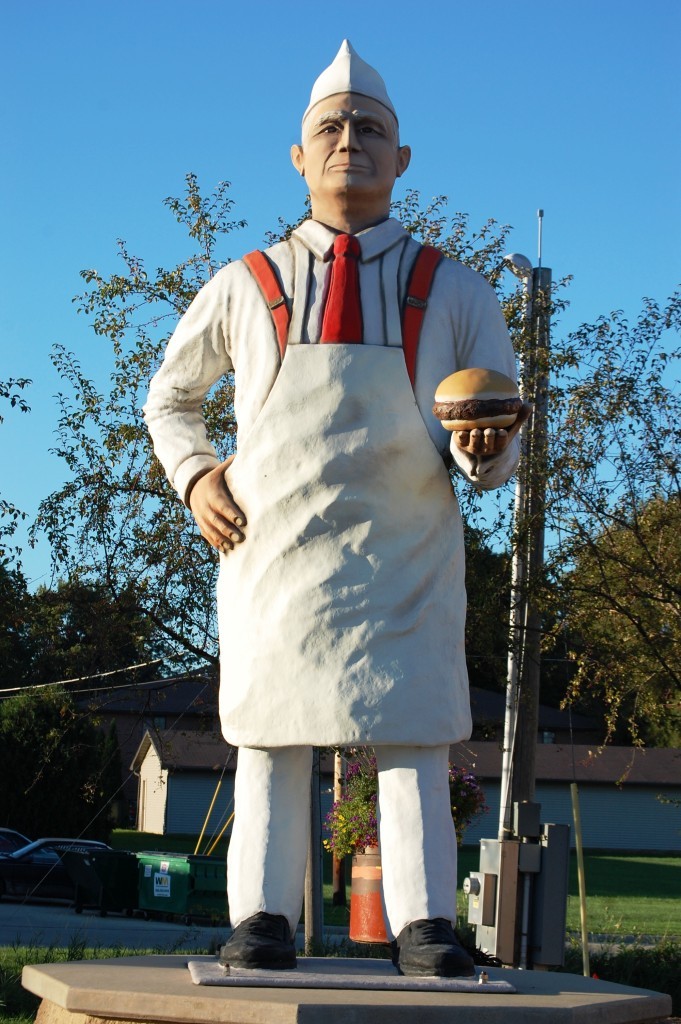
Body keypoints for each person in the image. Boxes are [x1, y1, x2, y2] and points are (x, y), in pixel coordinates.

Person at [144, 40, 529, 977]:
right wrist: (197, 477)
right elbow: (169, 397)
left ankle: (426, 926)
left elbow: (503, 422)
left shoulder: (457, 288)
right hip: (273, 554)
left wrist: (486, 454)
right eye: (330, 126)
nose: (348, 139)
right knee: (270, 741)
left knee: (412, 746)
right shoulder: (244, 285)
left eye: (370, 128)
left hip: (408, 555)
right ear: (298, 156)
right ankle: (262, 920)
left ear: (402, 159)